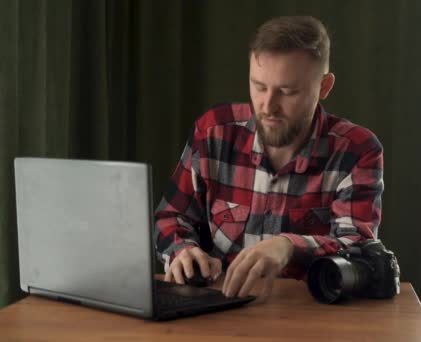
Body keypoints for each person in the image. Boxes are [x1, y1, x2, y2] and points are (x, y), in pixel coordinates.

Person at [154, 16, 384, 299]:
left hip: (310, 315)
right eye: (259, 86)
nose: (268, 106)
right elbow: (171, 217)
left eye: (288, 91)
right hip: (216, 311)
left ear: (324, 87)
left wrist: (288, 246)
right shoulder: (212, 131)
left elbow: (359, 249)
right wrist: (182, 250)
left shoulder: (357, 150)